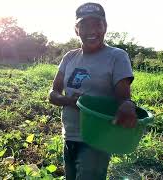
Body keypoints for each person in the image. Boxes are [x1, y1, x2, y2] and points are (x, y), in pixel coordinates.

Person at [49, 2, 137, 180]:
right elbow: (53, 93)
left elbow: (123, 97)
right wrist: (69, 101)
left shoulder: (117, 56)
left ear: (105, 27)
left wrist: (128, 105)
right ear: (76, 29)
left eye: (97, 24)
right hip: (69, 135)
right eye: (85, 25)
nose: (92, 30)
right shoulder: (69, 57)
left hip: (97, 139)